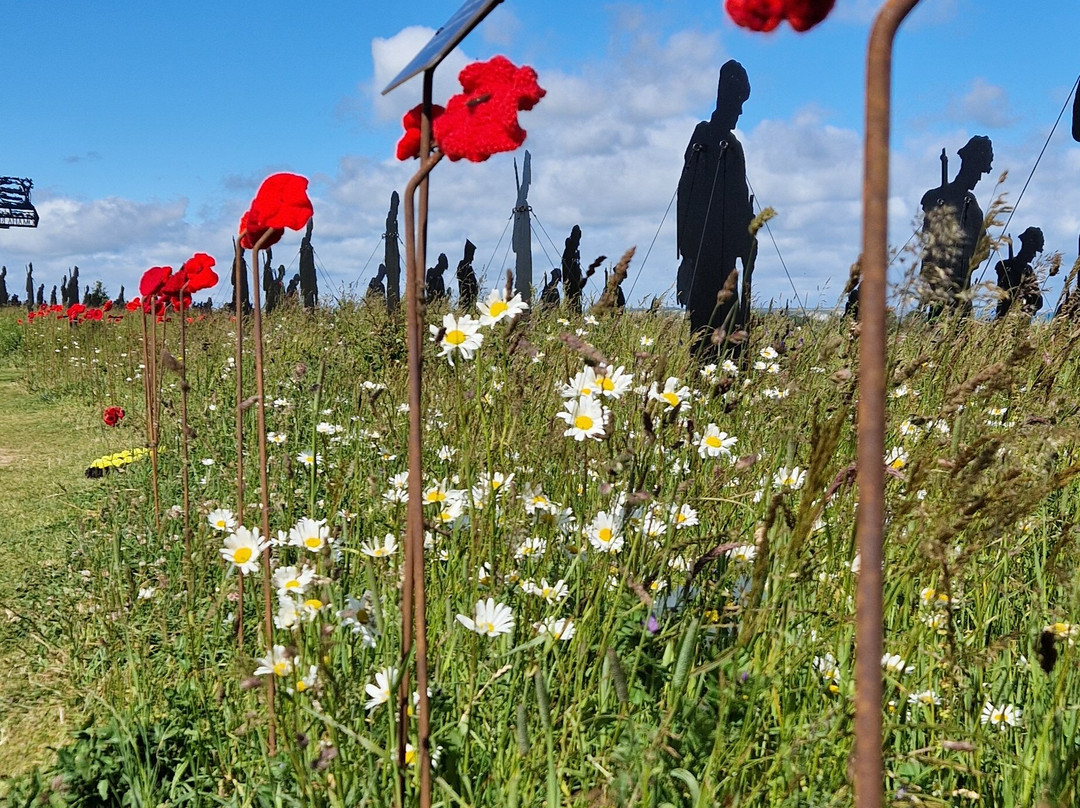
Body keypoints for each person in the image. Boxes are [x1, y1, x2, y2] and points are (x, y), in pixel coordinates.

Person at [676, 60, 754, 357]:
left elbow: (738, 201)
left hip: (726, 262)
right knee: (706, 334)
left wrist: (747, 237)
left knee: (732, 334)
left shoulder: (732, 147)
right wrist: (688, 252)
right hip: (705, 259)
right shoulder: (705, 138)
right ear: (725, 99)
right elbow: (688, 195)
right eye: (738, 103)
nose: (740, 112)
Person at [919, 136, 994, 316]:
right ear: (968, 167)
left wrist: (967, 264)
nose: (979, 178)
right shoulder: (936, 197)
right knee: (938, 323)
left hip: (962, 284)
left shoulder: (972, 205)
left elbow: (983, 247)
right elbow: (928, 237)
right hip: (941, 281)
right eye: (978, 172)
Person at [994, 227, 1044, 319]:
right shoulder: (1004, 265)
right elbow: (1003, 291)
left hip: (1021, 320)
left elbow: (1038, 300)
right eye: (1033, 251)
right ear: (1026, 247)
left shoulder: (1029, 271)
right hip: (1004, 318)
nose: (1034, 255)